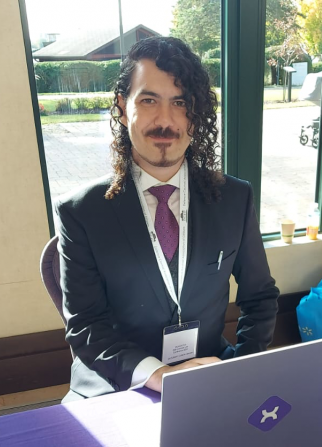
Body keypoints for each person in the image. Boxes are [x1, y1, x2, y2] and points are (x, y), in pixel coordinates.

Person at [55, 36, 279, 402]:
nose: (165, 120)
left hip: (205, 372)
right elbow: (86, 328)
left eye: (180, 103)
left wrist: (242, 366)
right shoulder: (81, 213)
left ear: (197, 113)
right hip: (117, 381)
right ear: (123, 108)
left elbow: (260, 297)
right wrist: (156, 374)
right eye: (148, 100)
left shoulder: (235, 199)